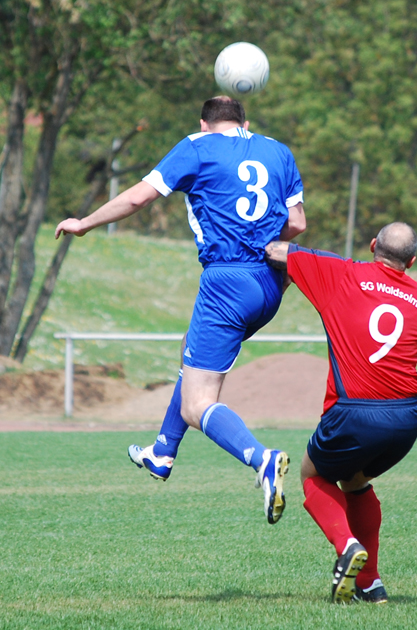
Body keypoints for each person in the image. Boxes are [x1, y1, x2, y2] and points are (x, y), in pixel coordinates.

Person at [55, 96, 307, 525]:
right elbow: (297, 224)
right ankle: (162, 452)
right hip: (271, 284)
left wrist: (85, 223)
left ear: (204, 124)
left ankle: (261, 459)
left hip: (226, 281)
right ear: (245, 122)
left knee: (198, 404)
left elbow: (137, 199)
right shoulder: (278, 150)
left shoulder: (196, 145)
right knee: (194, 351)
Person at [264, 222, 417, 604]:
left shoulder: (342, 273)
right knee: (355, 481)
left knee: (312, 474)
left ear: (373, 244)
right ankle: (370, 584)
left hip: (355, 412)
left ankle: (346, 545)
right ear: (412, 260)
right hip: (406, 419)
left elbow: (276, 252)